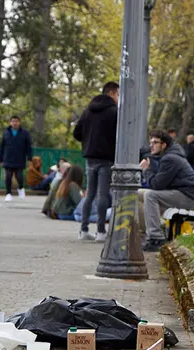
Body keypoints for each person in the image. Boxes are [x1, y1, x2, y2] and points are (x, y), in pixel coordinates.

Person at [139, 130, 194, 252]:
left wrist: (147, 170)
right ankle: (158, 228)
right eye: (150, 143)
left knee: (150, 195)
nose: (151, 146)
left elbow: (157, 185)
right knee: (137, 194)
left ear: (164, 145)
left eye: (155, 142)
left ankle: (156, 238)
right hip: (182, 194)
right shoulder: (166, 156)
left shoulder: (170, 159)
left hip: (190, 198)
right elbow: (159, 183)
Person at [73, 81, 119, 242]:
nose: (118, 98)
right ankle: (101, 231)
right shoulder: (114, 112)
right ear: (112, 93)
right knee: (103, 194)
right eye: (118, 94)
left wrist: (88, 142)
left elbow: (76, 132)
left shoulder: (88, 111)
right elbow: (118, 135)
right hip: (106, 158)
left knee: (89, 193)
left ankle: (83, 230)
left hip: (90, 157)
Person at [0, 116, 32, 202]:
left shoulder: (25, 133)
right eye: (13, 121)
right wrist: (0, 159)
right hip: (8, 158)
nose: (15, 123)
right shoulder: (6, 133)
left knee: (19, 177)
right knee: (8, 176)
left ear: (19, 122)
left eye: (16, 121)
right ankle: (8, 194)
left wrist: (30, 158)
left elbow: (28, 147)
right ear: (10, 123)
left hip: (19, 159)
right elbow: (2, 147)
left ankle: (21, 188)